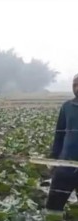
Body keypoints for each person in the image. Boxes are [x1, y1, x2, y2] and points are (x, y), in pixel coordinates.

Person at [44, 74, 78, 219]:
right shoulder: (67, 107)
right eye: (75, 84)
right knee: (54, 204)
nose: (77, 87)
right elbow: (59, 135)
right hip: (65, 164)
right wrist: (54, 159)